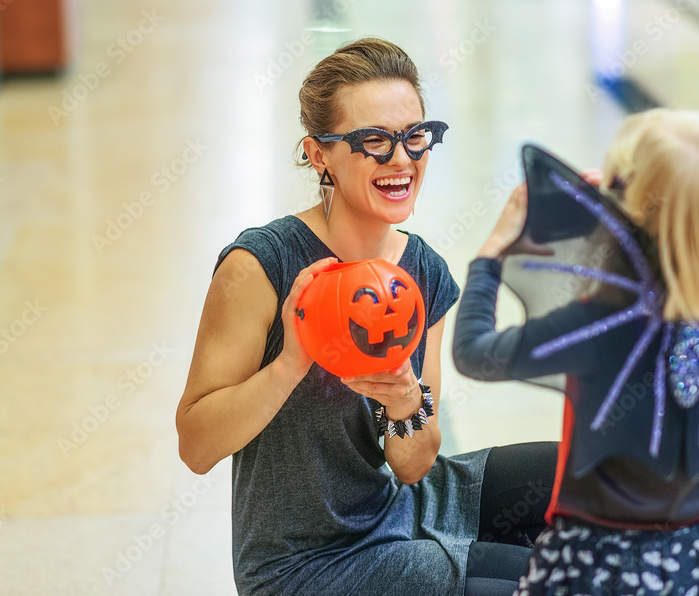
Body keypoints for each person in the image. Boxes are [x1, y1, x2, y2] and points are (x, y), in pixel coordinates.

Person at [176, 37, 558, 596]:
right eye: (374, 141)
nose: (401, 160)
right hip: (303, 565)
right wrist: (289, 363)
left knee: (590, 483)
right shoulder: (260, 265)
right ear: (318, 154)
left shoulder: (422, 271)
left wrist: (405, 402)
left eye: (415, 137)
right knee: (550, 581)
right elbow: (195, 446)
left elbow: (412, 467)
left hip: (404, 505)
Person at [453, 109, 699, 595]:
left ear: (631, 209)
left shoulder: (599, 324)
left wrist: (491, 253)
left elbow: (475, 352)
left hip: (604, 561)